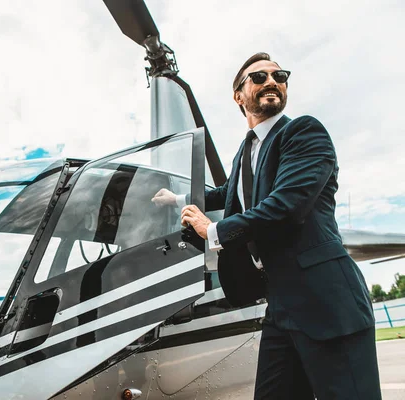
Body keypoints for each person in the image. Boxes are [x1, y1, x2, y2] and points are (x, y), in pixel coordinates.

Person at [152, 52, 381, 400]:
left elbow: (286, 206)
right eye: (258, 77)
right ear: (238, 96)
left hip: (326, 301)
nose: (271, 81)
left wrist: (211, 231)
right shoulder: (246, 152)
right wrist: (180, 199)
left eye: (279, 75)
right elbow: (229, 193)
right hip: (281, 305)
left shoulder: (303, 132)